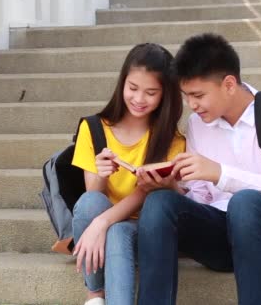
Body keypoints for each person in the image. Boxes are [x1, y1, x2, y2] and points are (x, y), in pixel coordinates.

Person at [136, 34, 261, 305]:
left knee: (245, 203)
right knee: (159, 203)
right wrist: (172, 187)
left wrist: (221, 174)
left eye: (198, 95)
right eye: (186, 96)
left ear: (229, 84)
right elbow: (201, 199)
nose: (192, 105)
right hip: (227, 240)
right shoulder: (198, 124)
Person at [71, 43, 186, 305]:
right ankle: (95, 293)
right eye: (133, 88)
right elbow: (93, 198)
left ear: (165, 95)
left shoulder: (172, 139)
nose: (139, 99)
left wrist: (103, 222)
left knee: (118, 230)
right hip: (103, 222)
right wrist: (101, 172)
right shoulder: (93, 128)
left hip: (147, 230)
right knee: (92, 204)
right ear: (122, 83)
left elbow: (149, 198)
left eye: (151, 92)